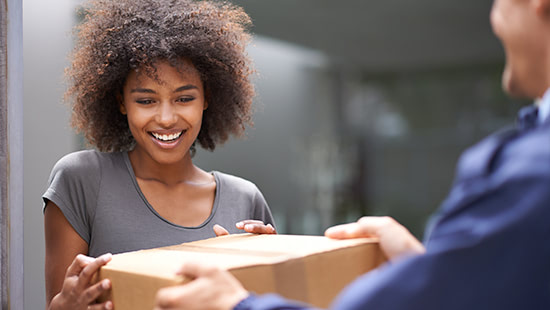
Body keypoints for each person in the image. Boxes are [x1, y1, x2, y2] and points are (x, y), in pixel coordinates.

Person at [152, 0, 550, 309]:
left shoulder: (533, 172)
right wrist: (429, 267)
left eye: (185, 97)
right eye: (147, 99)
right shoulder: (89, 179)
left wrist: (239, 304)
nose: (494, 17)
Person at [42, 1, 277, 309]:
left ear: (207, 97)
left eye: (184, 98)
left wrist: (274, 261)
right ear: (122, 102)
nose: (166, 118)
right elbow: (59, 302)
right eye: (146, 100)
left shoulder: (245, 199)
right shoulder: (82, 180)